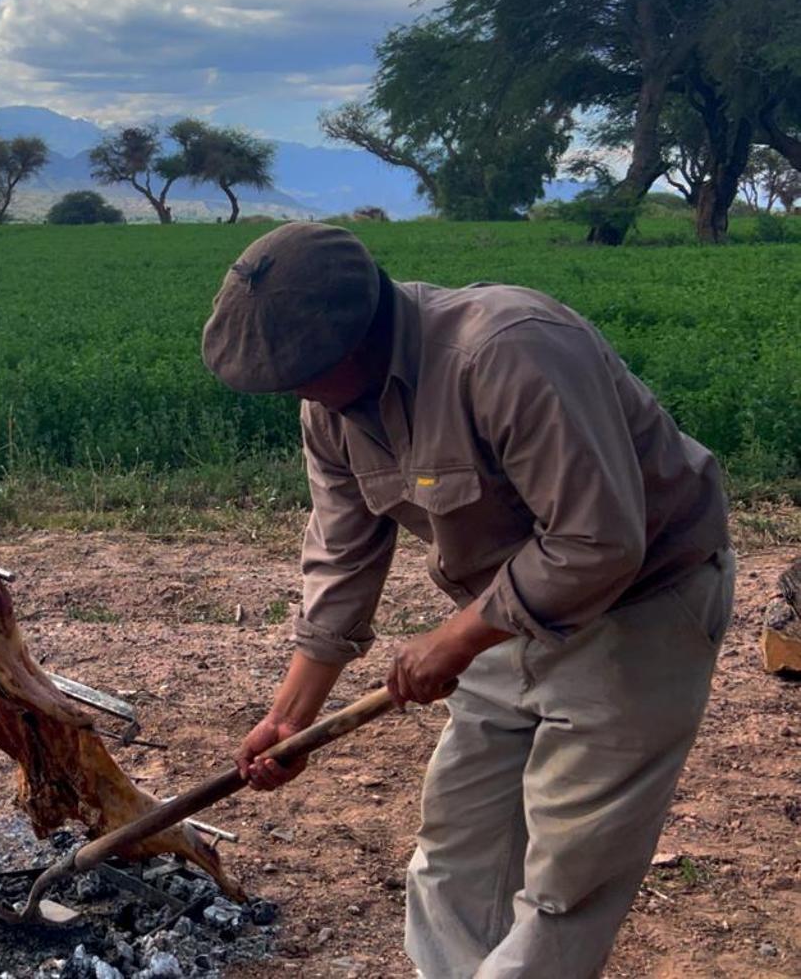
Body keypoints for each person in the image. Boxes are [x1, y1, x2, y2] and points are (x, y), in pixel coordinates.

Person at [200, 222, 733, 979]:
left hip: (640, 604)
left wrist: (451, 641)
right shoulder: (330, 409)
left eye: (301, 372)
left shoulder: (508, 351)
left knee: (567, 872)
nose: (292, 391)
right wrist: (291, 719)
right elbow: (342, 559)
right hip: (497, 614)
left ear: (359, 338)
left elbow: (598, 544)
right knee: (455, 850)